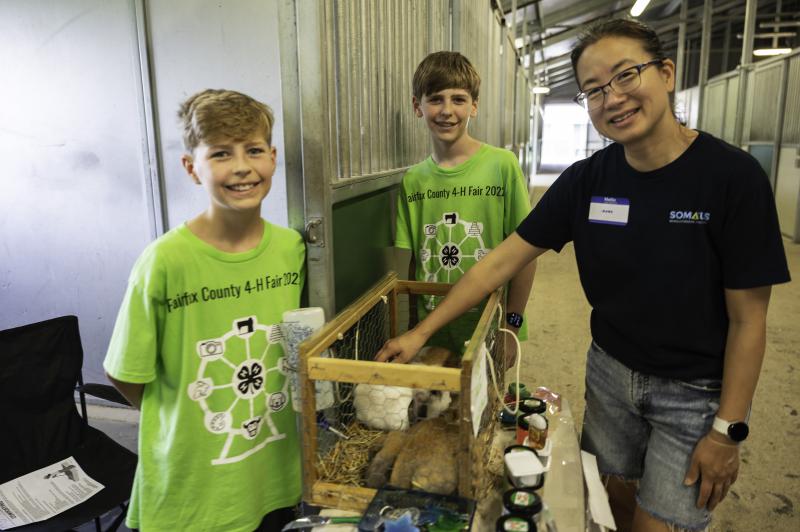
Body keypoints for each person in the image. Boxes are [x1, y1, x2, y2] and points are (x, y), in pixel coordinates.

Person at [376, 19, 791, 532]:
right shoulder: (586, 181)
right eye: (593, 90)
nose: (611, 98)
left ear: (665, 73)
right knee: (609, 503)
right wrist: (420, 331)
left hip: (694, 393)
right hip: (611, 376)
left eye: (625, 75)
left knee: (657, 523)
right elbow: (500, 262)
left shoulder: (733, 179)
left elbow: (750, 321)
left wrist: (727, 432)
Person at [104, 89, 305, 532]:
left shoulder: (292, 249)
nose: (241, 166)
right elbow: (124, 373)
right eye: (220, 153)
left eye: (254, 150)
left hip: (273, 477)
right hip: (191, 493)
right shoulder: (165, 261)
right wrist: (190, 412)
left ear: (272, 157)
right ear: (191, 168)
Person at [397, 50, 536, 358]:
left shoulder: (502, 165)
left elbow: (526, 254)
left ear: (474, 106)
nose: (447, 111)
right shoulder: (413, 180)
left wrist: (512, 324)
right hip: (433, 328)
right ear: (417, 106)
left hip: (490, 323)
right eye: (435, 99)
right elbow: (412, 262)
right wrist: (413, 327)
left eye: (458, 99)